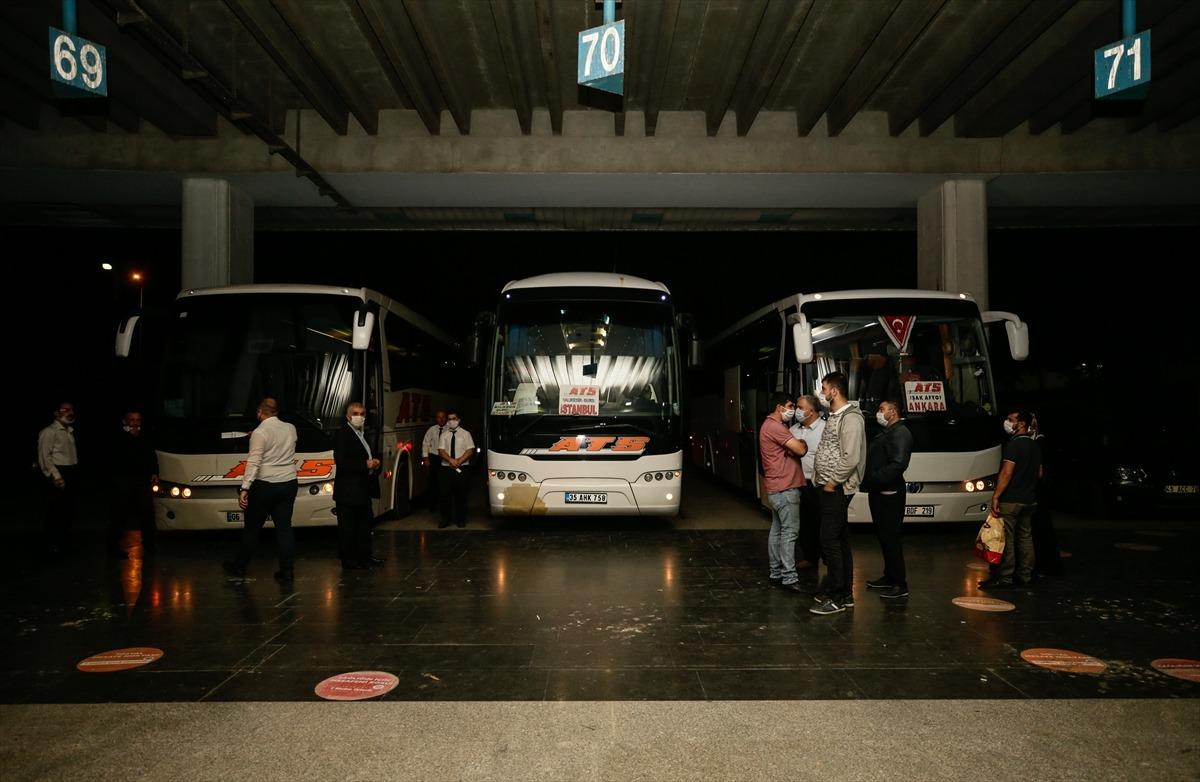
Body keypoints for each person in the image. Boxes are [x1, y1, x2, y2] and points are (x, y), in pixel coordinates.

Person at [223, 398, 299, 583]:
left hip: (265, 485)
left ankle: (239, 566)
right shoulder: (291, 428)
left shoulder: (260, 432)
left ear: (259, 412)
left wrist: (244, 488)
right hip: (288, 482)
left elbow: (254, 462)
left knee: (252, 529)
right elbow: (279, 444)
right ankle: (286, 570)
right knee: (284, 528)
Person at [810, 372, 867, 616]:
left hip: (837, 487)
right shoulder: (833, 415)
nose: (822, 393)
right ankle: (845, 593)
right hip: (826, 486)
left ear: (834, 391)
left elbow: (851, 457)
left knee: (829, 540)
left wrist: (833, 482)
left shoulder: (851, 418)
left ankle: (836, 597)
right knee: (840, 540)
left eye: (824, 389)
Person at [980, 408, 1042, 590]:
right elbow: (1039, 473)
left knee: (1006, 538)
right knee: (1025, 537)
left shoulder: (1013, 445)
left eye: (1010, 419)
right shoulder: (1034, 445)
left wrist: (996, 496)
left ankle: (1005, 577)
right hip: (1029, 499)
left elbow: (1007, 473)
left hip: (1012, 499)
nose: (1007, 422)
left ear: (1021, 423)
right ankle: (1025, 575)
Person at [862, 400, 913, 599]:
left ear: (893, 412)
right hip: (880, 491)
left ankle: (900, 584)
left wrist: (875, 478)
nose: (878, 413)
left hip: (889, 493)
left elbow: (898, 464)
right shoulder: (890, 431)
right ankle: (889, 576)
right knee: (884, 536)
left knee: (891, 538)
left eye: (882, 409)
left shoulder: (900, 433)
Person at [758, 392, 808, 592]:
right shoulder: (776, 427)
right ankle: (789, 577)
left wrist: (793, 448)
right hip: (785, 487)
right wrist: (799, 445)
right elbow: (801, 449)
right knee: (789, 532)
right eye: (790, 405)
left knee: (777, 529)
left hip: (776, 486)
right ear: (779, 407)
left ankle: (776, 572)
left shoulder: (768, 426)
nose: (793, 410)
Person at [333, 402, 382, 570]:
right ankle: (349, 561)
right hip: (348, 491)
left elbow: (366, 455)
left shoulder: (362, 434)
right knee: (348, 529)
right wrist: (365, 464)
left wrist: (374, 463)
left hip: (362, 490)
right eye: (355, 413)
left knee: (364, 527)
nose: (359, 417)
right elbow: (342, 462)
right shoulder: (343, 434)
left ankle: (365, 558)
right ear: (348, 416)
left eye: (362, 413)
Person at [110, 410, 159, 559]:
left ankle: (149, 546)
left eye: (138, 420)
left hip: (141, 481)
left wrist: (155, 472)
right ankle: (113, 547)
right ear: (125, 422)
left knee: (147, 514)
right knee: (120, 514)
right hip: (124, 481)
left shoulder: (144, 437)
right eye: (132, 420)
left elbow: (151, 455)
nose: (135, 423)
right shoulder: (119, 437)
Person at [38, 401, 79, 555]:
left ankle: (63, 543)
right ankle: (51, 545)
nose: (70, 412)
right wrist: (56, 476)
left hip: (70, 472)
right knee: (55, 512)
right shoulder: (49, 432)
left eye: (72, 409)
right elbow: (45, 457)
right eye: (66, 410)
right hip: (59, 473)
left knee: (68, 511)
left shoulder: (68, 431)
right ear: (56, 413)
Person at [789, 394, 825, 570]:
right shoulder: (793, 430)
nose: (797, 411)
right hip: (798, 482)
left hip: (818, 483)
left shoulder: (825, 429)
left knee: (821, 522)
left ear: (811, 411)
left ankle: (827, 559)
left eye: (801, 407)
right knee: (803, 522)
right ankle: (809, 557)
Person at [1029, 414, 1063, 577]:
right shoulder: (1038, 442)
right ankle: (1046, 565)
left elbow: (1040, 471)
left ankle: (1046, 566)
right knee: (1040, 529)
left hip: (1039, 492)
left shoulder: (1039, 443)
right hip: (1040, 491)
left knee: (1041, 530)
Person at [437, 410, 475, 529]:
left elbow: (470, 450)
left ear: (458, 420)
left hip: (462, 468)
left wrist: (459, 461)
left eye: (453, 418)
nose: (451, 421)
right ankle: (445, 519)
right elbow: (441, 450)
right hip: (446, 469)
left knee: (461, 494)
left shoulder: (466, 434)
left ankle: (460, 519)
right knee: (444, 494)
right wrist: (451, 460)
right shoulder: (444, 435)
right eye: (449, 419)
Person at [421, 410, 448, 510]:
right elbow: (426, 444)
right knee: (432, 482)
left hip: (445, 458)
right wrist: (426, 458)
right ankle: (432, 504)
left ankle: (443, 504)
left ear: (446, 418)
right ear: (436, 418)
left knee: (444, 482)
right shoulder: (432, 430)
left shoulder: (449, 429)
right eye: (438, 417)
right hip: (434, 458)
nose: (441, 419)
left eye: (443, 417)